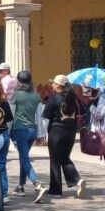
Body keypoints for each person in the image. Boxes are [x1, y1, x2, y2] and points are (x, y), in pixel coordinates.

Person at [35, 74, 85, 203]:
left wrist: (43, 133)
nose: (52, 85)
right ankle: (69, 183)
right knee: (63, 157)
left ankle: (65, 185)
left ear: (58, 85)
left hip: (56, 132)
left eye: (54, 83)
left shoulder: (53, 98)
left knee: (56, 160)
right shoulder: (75, 99)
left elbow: (45, 117)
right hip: (71, 132)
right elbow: (84, 112)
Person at [9, 70, 42, 197]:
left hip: (20, 129)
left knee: (24, 158)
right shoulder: (36, 95)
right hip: (32, 130)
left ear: (18, 81)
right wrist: (40, 134)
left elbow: (11, 115)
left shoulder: (16, 95)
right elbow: (39, 116)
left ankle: (36, 182)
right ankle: (21, 185)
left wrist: (7, 131)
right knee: (24, 157)